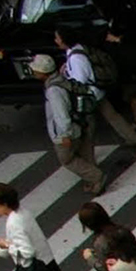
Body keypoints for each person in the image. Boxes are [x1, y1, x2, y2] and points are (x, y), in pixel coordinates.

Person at [30, 54, 106, 195]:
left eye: (36, 70)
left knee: (66, 159)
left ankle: (96, 176)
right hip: (79, 123)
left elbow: (61, 114)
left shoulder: (53, 90)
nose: (33, 72)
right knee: (83, 152)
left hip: (67, 131)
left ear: (43, 72)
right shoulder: (61, 80)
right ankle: (92, 180)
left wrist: (65, 135)